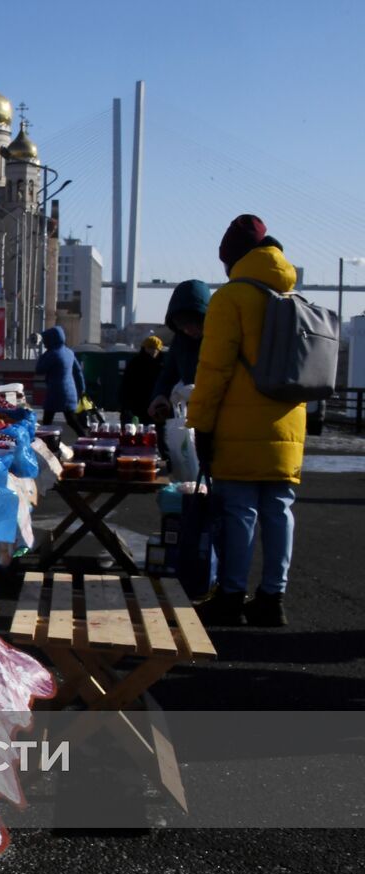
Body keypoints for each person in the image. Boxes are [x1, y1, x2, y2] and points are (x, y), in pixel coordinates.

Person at [188, 215, 304, 627]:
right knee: (279, 510)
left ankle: (232, 595)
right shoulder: (292, 295)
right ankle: (273, 597)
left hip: (239, 424)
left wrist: (200, 424)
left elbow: (214, 369)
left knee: (240, 511)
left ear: (233, 258)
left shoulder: (231, 298)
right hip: (288, 421)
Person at [148, 279, 211, 420]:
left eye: (193, 323)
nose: (188, 330)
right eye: (181, 325)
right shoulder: (180, 341)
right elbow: (168, 373)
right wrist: (160, 396)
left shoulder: (218, 339)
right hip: (188, 414)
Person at [34, 325, 86, 436]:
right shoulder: (69, 352)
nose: (44, 343)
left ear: (51, 340)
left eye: (46, 340)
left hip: (55, 392)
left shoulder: (52, 354)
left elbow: (39, 369)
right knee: (72, 419)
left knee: (47, 422)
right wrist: (82, 389)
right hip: (71, 392)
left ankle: (46, 444)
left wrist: (42, 355)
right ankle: (84, 438)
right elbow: (78, 372)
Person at [119, 335, 163, 426]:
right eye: (151, 348)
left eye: (155, 348)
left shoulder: (135, 362)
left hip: (144, 404)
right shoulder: (159, 364)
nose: (153, 351)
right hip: (141, 404)